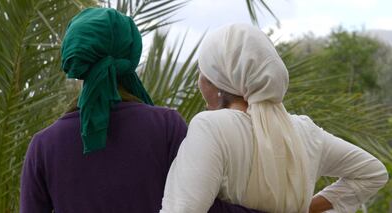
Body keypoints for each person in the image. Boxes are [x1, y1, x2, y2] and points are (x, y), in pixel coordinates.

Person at [19, 8, 264, 213]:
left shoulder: (43, 146)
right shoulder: (166, 126)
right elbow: (203, 207)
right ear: (131, 53)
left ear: (75, 61)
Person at [160, 23, 389, 213]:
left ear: (219, 81)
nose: (200, 81)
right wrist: (306, 208)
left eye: (203, 72)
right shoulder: (305, 132)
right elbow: (372, 173)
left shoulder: (210, 127)